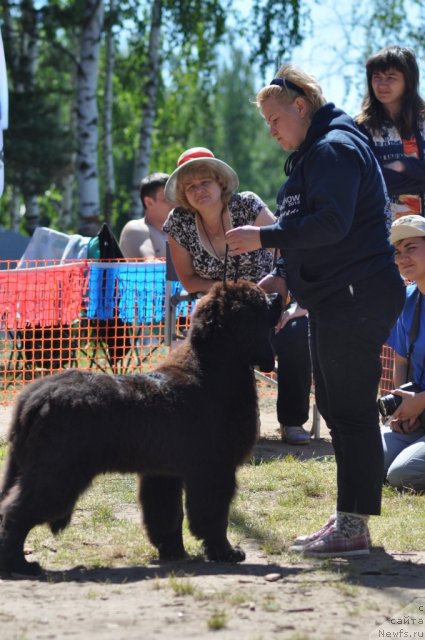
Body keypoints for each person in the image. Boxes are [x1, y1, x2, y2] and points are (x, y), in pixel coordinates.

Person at [225, 64, 406, 557]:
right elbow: (325, 233)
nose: (271, 130)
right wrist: (287, 276)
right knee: (337, 408)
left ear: (300, 107)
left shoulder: (334, 149)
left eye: (274, 119)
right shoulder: (320, 151)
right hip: (338, 295)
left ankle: (353, 526)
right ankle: (348, 520)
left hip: (357, 294)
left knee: (348, 412)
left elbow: (331, 224)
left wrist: (262, 237)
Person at [163, 146, 312, 445]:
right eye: (190, 186)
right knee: (215, 336)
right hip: (220, 310)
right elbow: (188, 280)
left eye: (204, 181)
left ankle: (292, 421)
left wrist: (283, 290)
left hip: (268, 304)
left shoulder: (248, 205)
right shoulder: (178, 222)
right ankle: (236, 421)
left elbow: (287, 246)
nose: (198, 190)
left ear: (221, 182)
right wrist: (235, 291)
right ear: (183, 194)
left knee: (297, 331)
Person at [356, 46, 425, 221]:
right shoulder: (360, 127)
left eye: (391, 78)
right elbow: (368, 181)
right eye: (376, 77)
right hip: (382, 231)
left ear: (408, 81)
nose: (382, 85)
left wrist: (404, 165)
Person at [381, 215, 425, 490]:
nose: (402, 258)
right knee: (364, 459)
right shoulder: (408, 299)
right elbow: (400, 361)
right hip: (419, 419)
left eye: (411, 248)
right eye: (398, 252)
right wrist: (403, 411)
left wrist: (420, 402)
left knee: (402, 475)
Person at [119, 173, 173, 258]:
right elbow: (150, 264)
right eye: (167, 199)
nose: (175, 204)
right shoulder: (136, 228)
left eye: (176, 198)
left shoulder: (176, 233)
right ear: (149, 202)